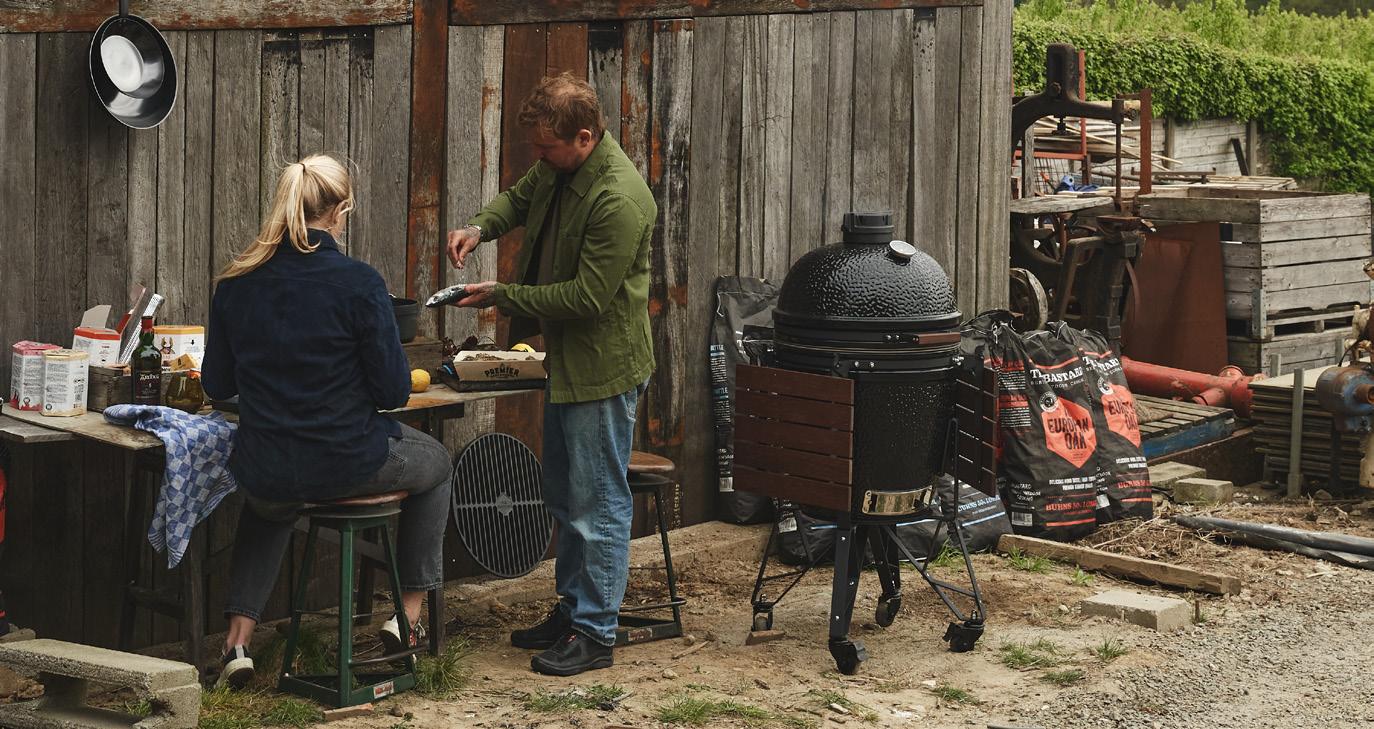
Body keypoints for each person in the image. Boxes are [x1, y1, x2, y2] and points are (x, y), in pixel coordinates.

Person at [203, 154, 452, 689]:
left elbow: (217, 384)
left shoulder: (236, 284)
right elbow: (392, 392)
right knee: (437, 462)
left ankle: (237, 644)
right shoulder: (360, 283)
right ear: (341, 211)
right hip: (346, 463)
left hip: (267, 466)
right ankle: (407, 618)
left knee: (270, 498)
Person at [445, 72, 656, 677]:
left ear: (584, 137)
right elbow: (518, 197)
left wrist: (502, 294)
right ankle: (571, 610)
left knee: (599, 504)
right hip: (566, 364)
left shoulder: (619, 199)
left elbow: (587, 297)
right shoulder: (561, 167)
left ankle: (596, 632)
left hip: (603, 369)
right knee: (564, 495)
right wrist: (479, 227)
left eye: (546, 148)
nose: (537, 158)